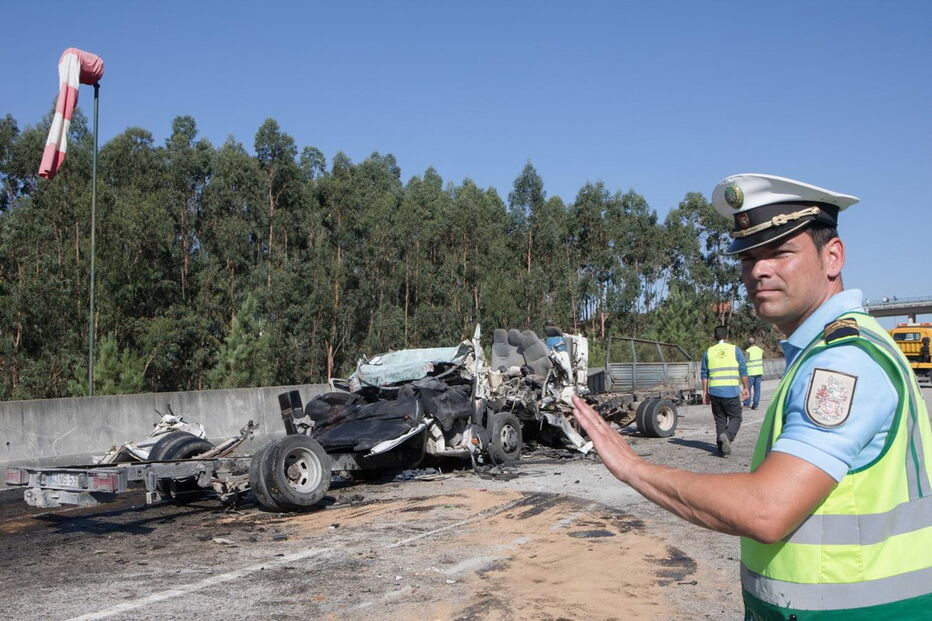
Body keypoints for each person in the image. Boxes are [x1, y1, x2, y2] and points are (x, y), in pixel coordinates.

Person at [572, 173, 932, 619]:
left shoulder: (843, 362)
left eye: (781, 251)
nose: (758, 269)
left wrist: (634, 468)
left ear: (832, 257)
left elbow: (767, 510)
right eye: (748, 257)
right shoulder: (821, 353)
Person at [701, 325, 750, 456]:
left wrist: (705, 392)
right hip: (731, 391)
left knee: (720, 420)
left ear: (714, 336)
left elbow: (704, 374)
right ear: (727, 336)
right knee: (736, 417)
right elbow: (743, 371)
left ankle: (720, 449)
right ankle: (727, 436)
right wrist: (745, 388)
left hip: (715, 392)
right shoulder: (735, 350)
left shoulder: (708, 352)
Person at [743, 337, 764, 410]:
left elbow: (745, 361)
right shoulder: (760, 350)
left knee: (747, 389)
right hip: (759, 372)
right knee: (757, 389)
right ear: (755, 342)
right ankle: (755, 405)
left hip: (750, 372)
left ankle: (746, 404)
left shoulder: (748, 351)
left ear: (748, 343)